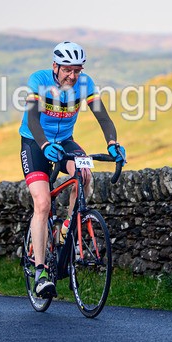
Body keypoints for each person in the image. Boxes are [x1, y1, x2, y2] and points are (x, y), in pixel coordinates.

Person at [19, 41, 126, 298]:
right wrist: (44, 144)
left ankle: (68, 226)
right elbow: (33, 118)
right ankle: (41, 272)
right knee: (43, 204)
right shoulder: (39, 80)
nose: (73, 76)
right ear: (55, 66)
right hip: (34, 142)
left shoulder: (85, 83)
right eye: (68, 70)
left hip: (65, 141)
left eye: (77, 70)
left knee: (84, 174)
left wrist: (113, 144)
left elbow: (102, 116)